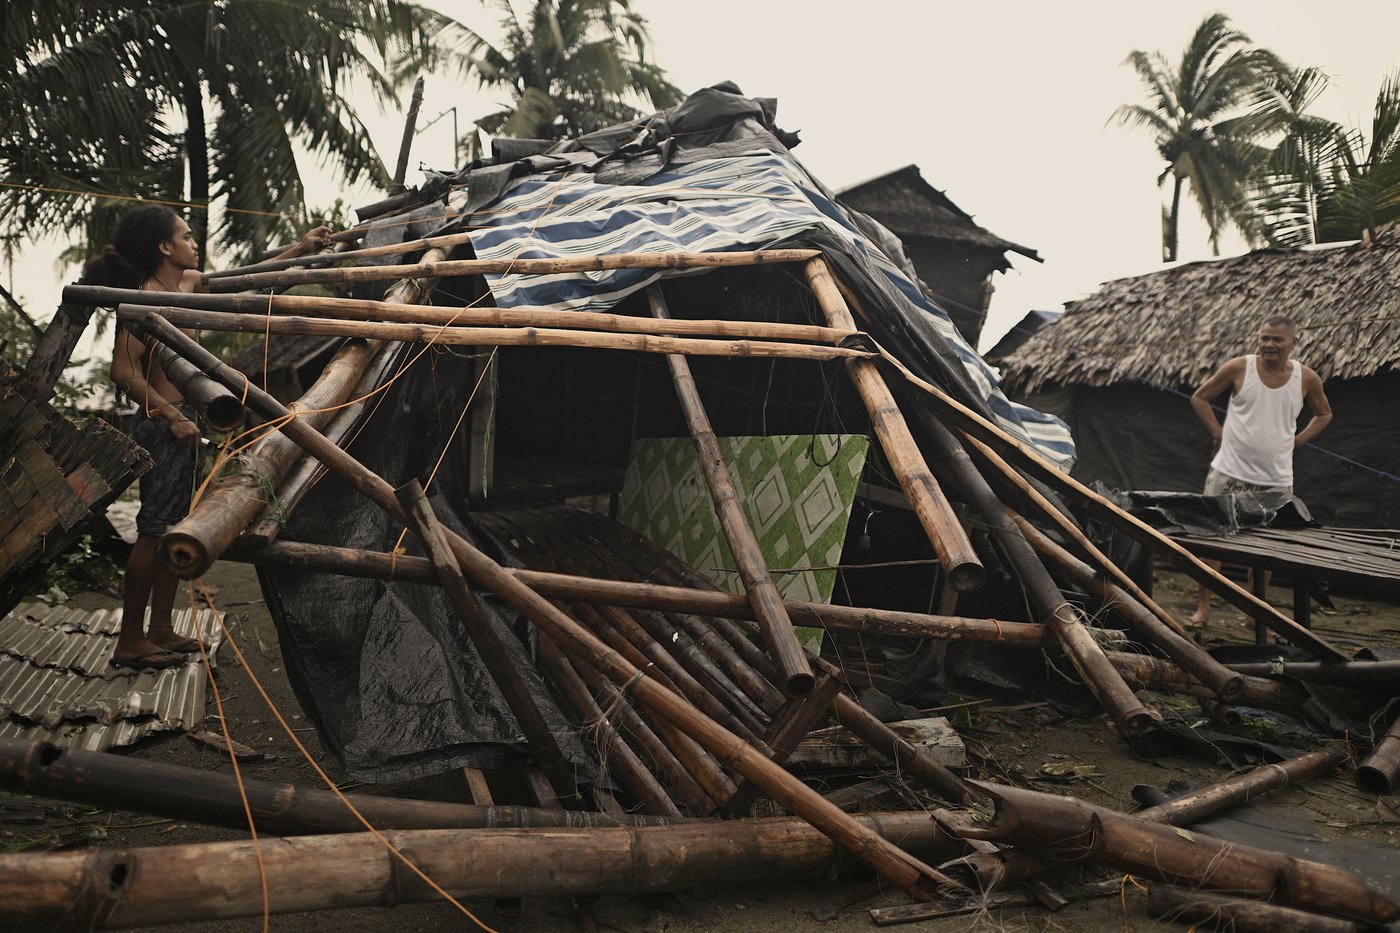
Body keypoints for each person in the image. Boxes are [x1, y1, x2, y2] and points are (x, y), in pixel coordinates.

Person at [81, 205, 331, 669]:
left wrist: (302, 248)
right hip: (163, 426)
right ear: (164, 247)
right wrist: (172, 415)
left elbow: (252, 279)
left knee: (173, 527)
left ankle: (159, 629)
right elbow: (123, 370)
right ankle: (130, 639)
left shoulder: (189, 285)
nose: (193, 242)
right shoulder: (144, 296)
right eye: (185, 236)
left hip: (188, 423)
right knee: (151, 533)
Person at [1186, 315, 1332, 626]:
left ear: (1293, 342)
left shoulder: (1306, 379)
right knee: (1213, 540)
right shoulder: (1240, 367)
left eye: (1277, 339)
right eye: (1264, 338)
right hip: (1229, 470)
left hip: (1275, 478)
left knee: (1265, 548)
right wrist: (1217, 432)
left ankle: (1254, 612)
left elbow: (1324, 413)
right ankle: (1204, 608)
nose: (1268, 344)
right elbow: (1200, 398)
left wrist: (1299, 440)